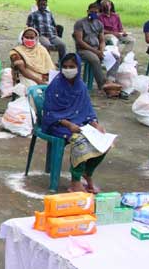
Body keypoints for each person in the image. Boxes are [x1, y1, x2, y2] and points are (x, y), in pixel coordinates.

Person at [42, 53, 109, 193]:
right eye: (65, 67)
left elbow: (87, 110)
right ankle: (75, 181)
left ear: (78, 67)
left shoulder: (81, 86)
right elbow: (50, 112)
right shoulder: (56, 85)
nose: (68, 69)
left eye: (71, 67)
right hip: (58, 125)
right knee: (80, 141)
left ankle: (87, 173)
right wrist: (68, 124)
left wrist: (95, 124)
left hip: (79, 123)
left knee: (104, 141)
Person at [73, 3, 118, 91]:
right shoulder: (80, 23)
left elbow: (102, 40)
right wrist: (96, 52)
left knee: (115, 57)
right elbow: (80, 41)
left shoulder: (99, 24)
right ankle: (102, 84)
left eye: (95, 12)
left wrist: (101, 50)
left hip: (97, 49)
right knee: (95, 59)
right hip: (84, 49)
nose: (93, 14)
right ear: (87, 11)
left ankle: (110, 80)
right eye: (91, 12)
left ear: (98, 14)